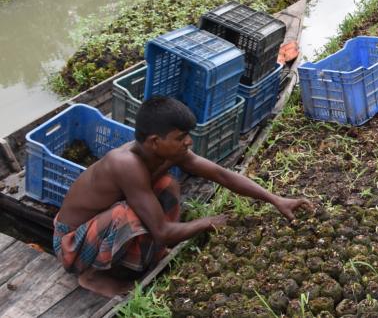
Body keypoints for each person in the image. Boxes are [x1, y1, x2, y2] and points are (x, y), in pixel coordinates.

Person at [53, 96, 312, 297]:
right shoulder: (126, 164)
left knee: (167, 184)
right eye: (180, 137)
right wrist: (207, 222)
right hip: (71, 242)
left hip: (100, 226)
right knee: (126, 215)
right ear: (155, 141)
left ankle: (147, 255)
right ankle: (92, 277)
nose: (188, 142)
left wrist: (275, 199)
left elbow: (222, 176)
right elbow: (163, 230)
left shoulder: (168, 154)